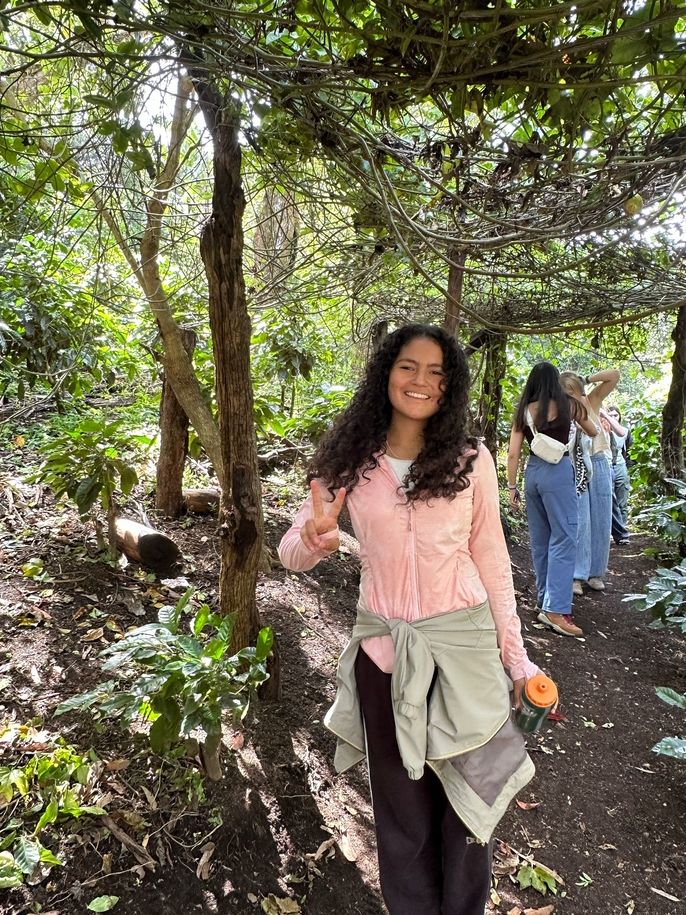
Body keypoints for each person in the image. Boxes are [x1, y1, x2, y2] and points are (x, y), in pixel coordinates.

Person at [278, 324, 540, 915]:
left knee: (472, 810)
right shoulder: (347, 461)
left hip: (467, 658)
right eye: (408, 366)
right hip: (386, 660)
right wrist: (318, 536)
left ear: (449, 388)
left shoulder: (472, 459)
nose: (421, 381)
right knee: (403, 818)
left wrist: (516, 659)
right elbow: (290, 554)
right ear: (385, 372)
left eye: (437, 373)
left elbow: (493, 561)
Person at [507, 362, 597, 638]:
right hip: (557, 472)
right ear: (555, 382)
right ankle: (556, 610)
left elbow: (512, 453)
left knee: (542, 539)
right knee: (565, 536)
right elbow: (593, 431)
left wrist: (511, 487)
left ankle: (544, 600)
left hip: (532, 473)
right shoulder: (569, 404)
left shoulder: (525, 410)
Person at [560, 369, 620, 594]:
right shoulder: (563, 409)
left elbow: (614, 375)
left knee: (602, 517)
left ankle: (596, 573)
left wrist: (585, 380)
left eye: (572, 391)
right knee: (581, 520)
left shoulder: (592, 400)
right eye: (565, 392)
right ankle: (577, 574)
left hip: (600, 462)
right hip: (576, 466)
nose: (570, 396)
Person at [606, 404, 631, 544]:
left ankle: (623, 532)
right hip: (607, 464)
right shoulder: (603, 429)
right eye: (611, 415)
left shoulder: (625, 431)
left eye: (616, 415)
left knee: (622, 500)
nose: (614, 417)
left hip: (620, 465)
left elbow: (627, 450)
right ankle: (613, 531)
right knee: (609, 499)